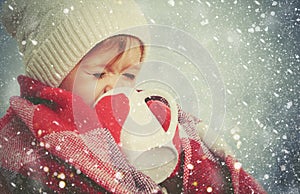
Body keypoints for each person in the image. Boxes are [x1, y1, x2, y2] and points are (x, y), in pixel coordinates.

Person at [0, 0, 267, 193]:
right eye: (98, 74)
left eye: (128, 76)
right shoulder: (21, 139)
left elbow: (217, 182)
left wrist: (174, 159)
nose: (114, 87)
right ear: (53, 75)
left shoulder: (153, 115)